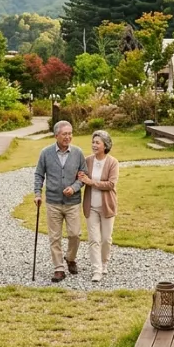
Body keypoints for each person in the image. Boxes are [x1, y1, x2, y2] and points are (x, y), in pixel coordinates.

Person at [33, 120, 87, 282]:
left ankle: (70, 258)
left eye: (70, 133)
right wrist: (37, 193)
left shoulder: (78, 153)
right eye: (65, 134)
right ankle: (59, 268)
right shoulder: (46, 153)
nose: (68, 137)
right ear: (56, 135)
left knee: (75, 234)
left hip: (73, 202)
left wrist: (74, 187)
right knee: (54, 237)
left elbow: (83, 175)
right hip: (53, 202)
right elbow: (39, 174)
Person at [77, 130, 119, 283]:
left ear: (105, 145)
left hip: (107, 207)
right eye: (93, 142)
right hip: (91, 206)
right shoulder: (87, 161)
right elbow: (81, 178)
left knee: (106, 239)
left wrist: (91, 182)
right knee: (94, 239)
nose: (94, 145)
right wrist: (81, 179)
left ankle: (104, 262)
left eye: (97, 143)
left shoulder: (112, 162)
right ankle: (97, 269)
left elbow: (111, 184)